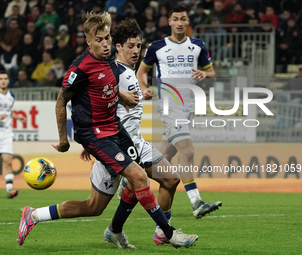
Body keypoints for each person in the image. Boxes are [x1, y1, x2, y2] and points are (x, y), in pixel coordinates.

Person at [17, 12, 198, 249]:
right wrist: (65, 141)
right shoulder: (80, 68)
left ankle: (36, 215)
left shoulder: (110, 61)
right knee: (138, 178)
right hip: (97, 136)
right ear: (89, 41)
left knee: (98, 205)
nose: (105, 44)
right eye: (100, 39)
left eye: (107, 38)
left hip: (115, 130)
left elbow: (107, 86)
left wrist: (122, 98)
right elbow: (62, 101)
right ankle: (168, 232)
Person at [78, 18, 183, 247]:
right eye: (131, 46)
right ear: (118, 47)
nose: (136, 51)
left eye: (139, 46)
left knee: (171, 179)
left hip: (137, 143)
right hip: (118, 145)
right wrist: (90, 142)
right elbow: (90, 101)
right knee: (95, 206)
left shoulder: (129, 72)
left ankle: (154, 230)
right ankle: (159, 230)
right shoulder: (111, 71)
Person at [136, 5, 222, 219]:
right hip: (169, 106)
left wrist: (204, 73)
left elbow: (212, 72)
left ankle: (131, 183)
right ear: (170, 22)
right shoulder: (157, 47)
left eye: (183, 19)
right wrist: (144, 88)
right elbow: (141, 72)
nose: (180, 23)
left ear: (187, 22)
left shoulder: (198, 46)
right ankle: (196, 202)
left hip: (187, 107)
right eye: (176, 19)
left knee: (165, 156)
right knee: (188, 151)